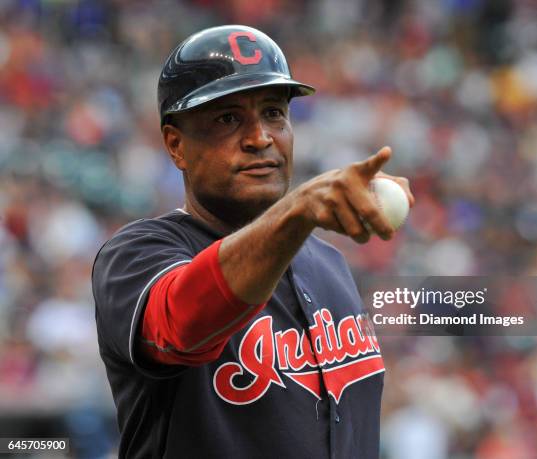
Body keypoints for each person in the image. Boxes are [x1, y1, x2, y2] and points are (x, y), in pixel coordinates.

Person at [92, 25, 414, 459]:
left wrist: (296, 218)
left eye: (273, 113)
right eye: (228, 118)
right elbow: (180, 326)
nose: (260, 137)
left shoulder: (329, 264)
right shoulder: (136, 253)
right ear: (176, 145)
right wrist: (297, 211)